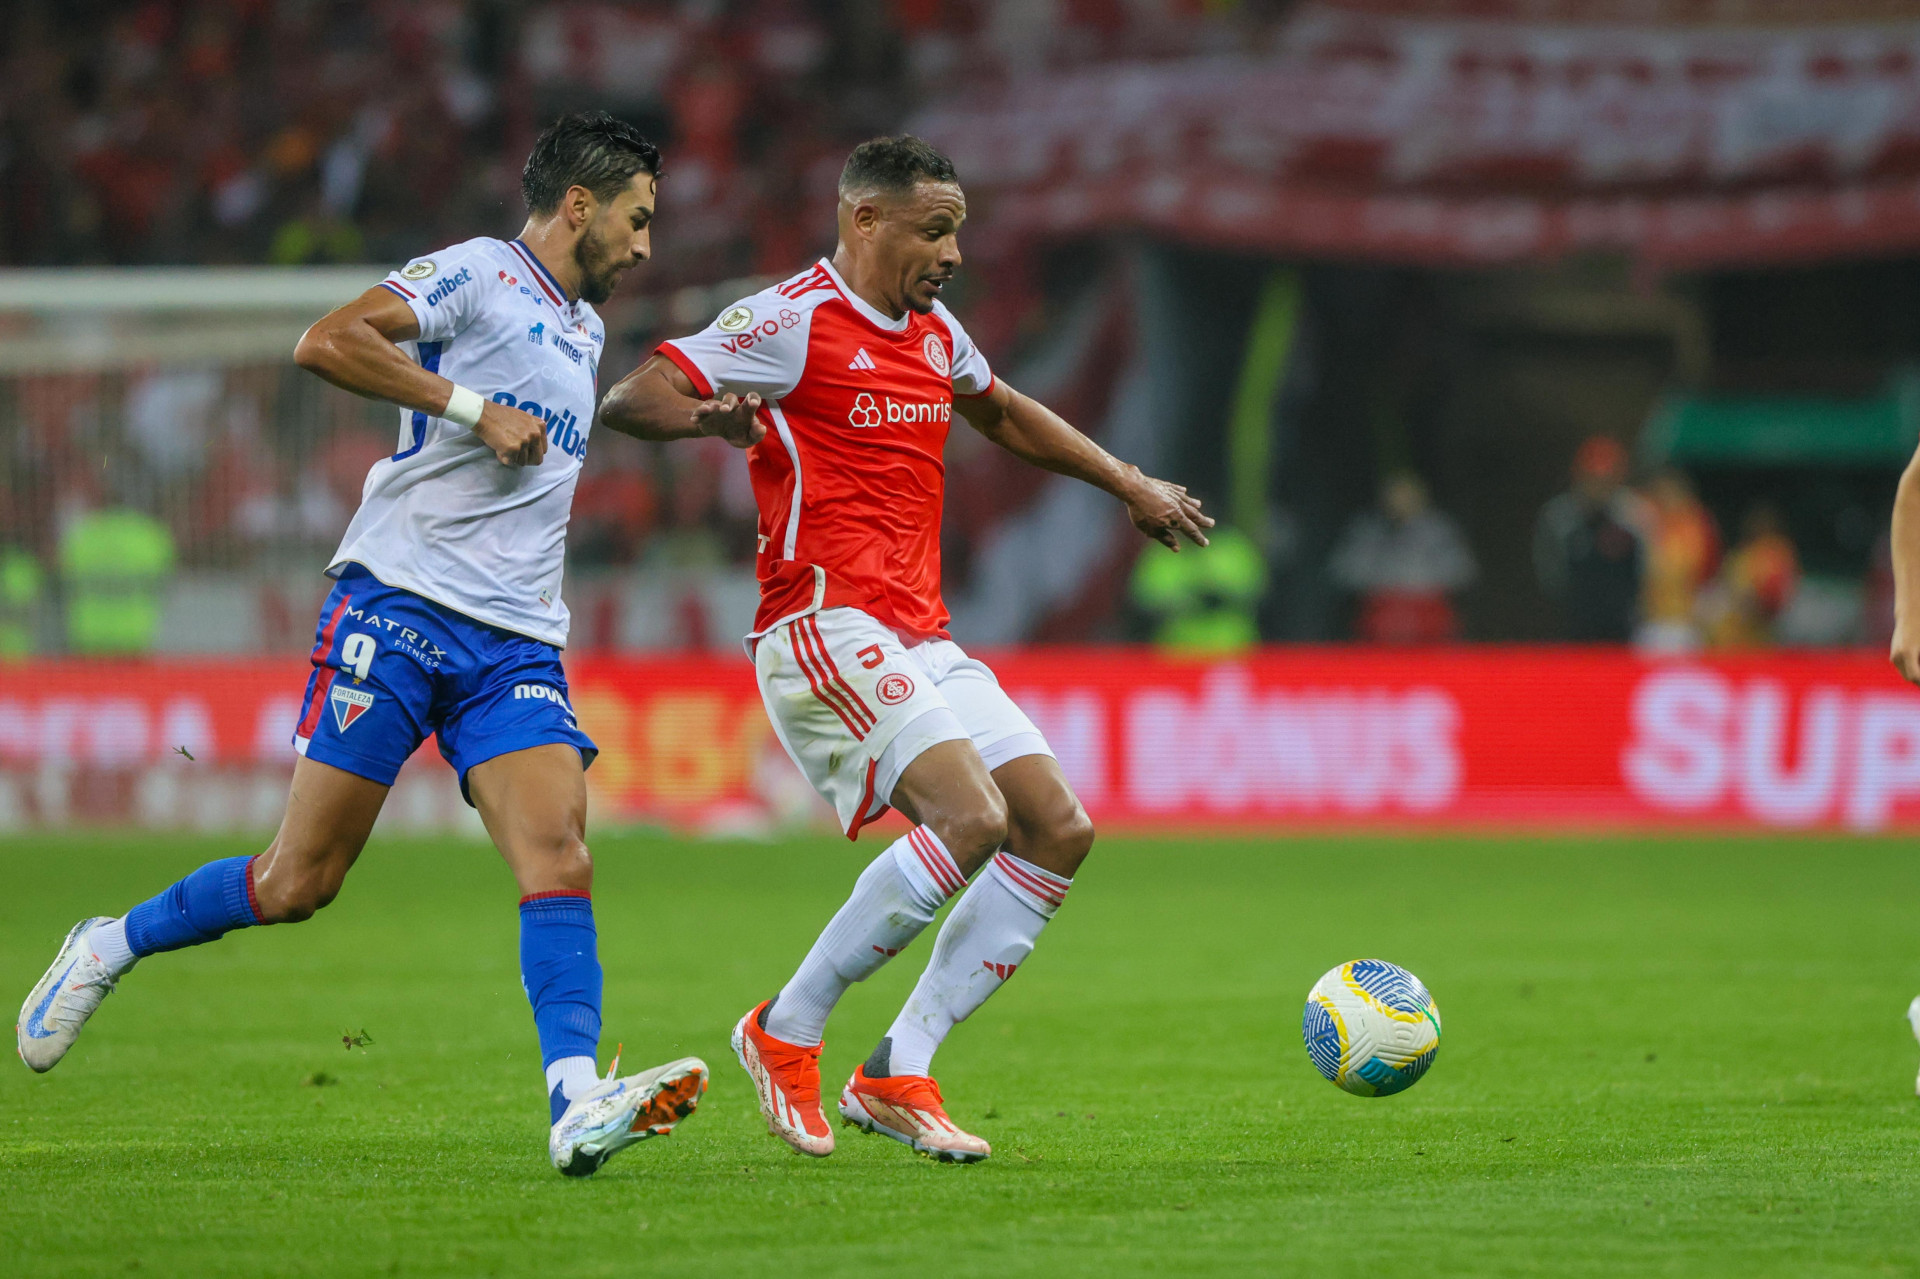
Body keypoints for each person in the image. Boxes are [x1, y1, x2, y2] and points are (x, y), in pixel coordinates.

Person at [15, 113, 707, 1178]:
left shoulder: (583, 331)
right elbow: (327, 340)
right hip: (400, 611)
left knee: (560, 854)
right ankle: (111, 942)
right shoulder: (480, 273)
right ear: (581, 205)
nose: (647, 245)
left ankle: (575, 1101)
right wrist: (471, 406)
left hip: (516, 644)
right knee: (299, 880)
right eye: (638, 218)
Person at [598, 135, 1211, 1163]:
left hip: (920, 633)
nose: (954, 252)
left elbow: (1004, 413)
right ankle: (784, 1029)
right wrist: (715, 419)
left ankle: (897, 1068)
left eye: (959, 230)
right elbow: (633, 396)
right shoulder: (789, 318)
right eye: (936, 230)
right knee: (972, 816)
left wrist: (1129, 482)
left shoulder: (933, 331)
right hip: (820, 622)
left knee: (1056, 827)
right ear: (866, 220)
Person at [1327, 470, 1475, 644]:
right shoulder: (1367, 530)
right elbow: (1342, 571)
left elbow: (1463, 571)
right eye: (1395, 494)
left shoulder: (1439, 530)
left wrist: (1415, 580)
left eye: (1406, 494)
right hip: (1380, 613)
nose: (1400, 500)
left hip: (1429, 615)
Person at [1533, 435, 1646, 642]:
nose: (1599, 488)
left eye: (1606, 479)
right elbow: (1550, 574)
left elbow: (1647, 569)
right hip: (1573, 621)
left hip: (1624, 624)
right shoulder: (1560, 517)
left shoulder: (1634, 515)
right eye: (1593, 479)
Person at [1130, 523, 1266, 652]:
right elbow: (1145, 602)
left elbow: (1256, 592)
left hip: (1232, 650)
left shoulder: (1232, 546)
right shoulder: (1160, 554)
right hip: (1177, 653)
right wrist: (1189, 601)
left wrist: (1219, 598)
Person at [1635, 467, 1719, 653]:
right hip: (1651, 620)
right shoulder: (1648, 521)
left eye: (1671, 492)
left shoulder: (1695, 525)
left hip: (1685, 622)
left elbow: (1706, 572)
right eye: (1662, 492)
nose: (1667, 498)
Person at [1703, 501, 1797, 649]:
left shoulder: (1778, 552)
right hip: (1737, 631)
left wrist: (1755, 599)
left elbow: (1776, 596)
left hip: (1763, 630)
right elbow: (1728, 591)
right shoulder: (1742, 556)